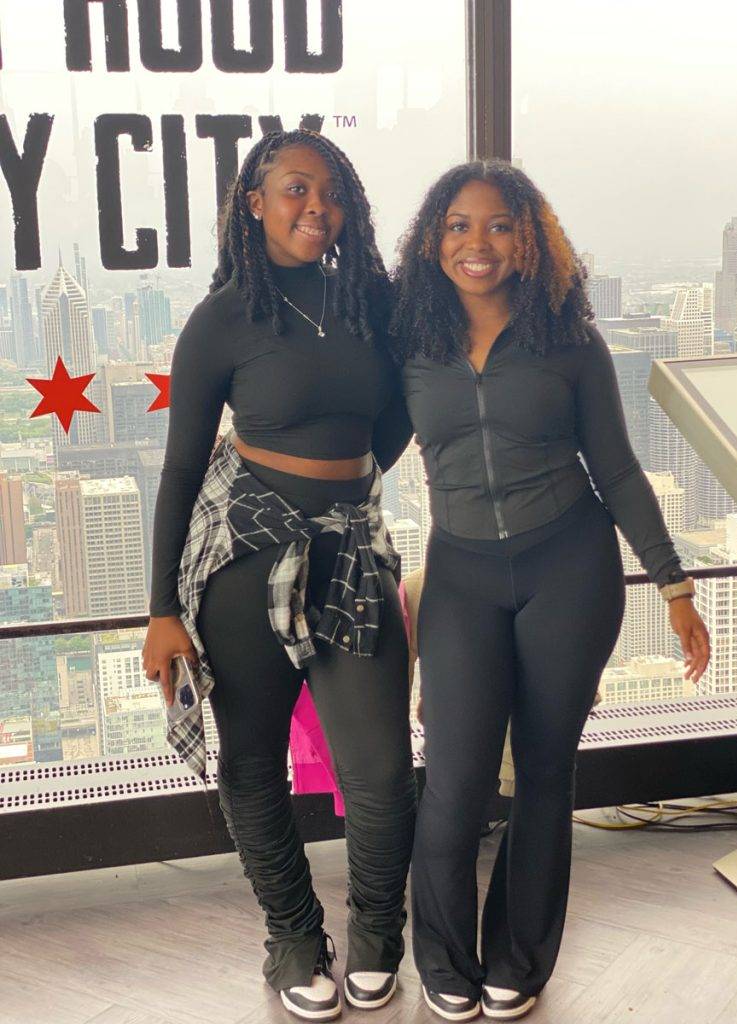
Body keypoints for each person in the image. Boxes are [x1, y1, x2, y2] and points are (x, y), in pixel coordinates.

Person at [388, 160, 711, 1021]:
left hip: (569, 567)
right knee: (454, 776)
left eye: (498, 225)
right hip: (460, 573)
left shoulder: (570, 342)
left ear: (529, 239)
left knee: (542, 774)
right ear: (432, 240)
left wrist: (673, 586)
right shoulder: (409, 342)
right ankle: (444, 959)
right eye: (458, 225)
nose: (477, 243)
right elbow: (352, 435)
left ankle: (520, 959)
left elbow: (617, 469)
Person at [142, 129, 417, 1022]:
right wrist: (159, 610)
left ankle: (379, 934)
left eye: (330, 192)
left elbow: (397, 419)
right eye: (295, 189)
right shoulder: (223, 318)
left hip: (350, 551)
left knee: (378, 768)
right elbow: (181, 471)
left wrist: (338, 489)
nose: (317, 208)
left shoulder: (371, 299)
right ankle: (294, 940)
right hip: (242, 558)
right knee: (252, 759)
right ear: (253, 201)